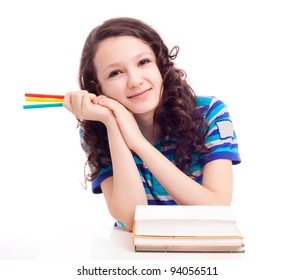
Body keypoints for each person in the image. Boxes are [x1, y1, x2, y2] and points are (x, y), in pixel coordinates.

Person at [63, 17, 241, 232]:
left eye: (143, 62)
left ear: (160, 64)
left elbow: (216, 210)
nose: (135, 81)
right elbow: (131, 220)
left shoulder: (209, 113)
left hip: (202, 253)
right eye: (115, 73)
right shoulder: (97, 130)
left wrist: (138, 142)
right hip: (135, 257)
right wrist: (112, 122)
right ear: (97, 87)